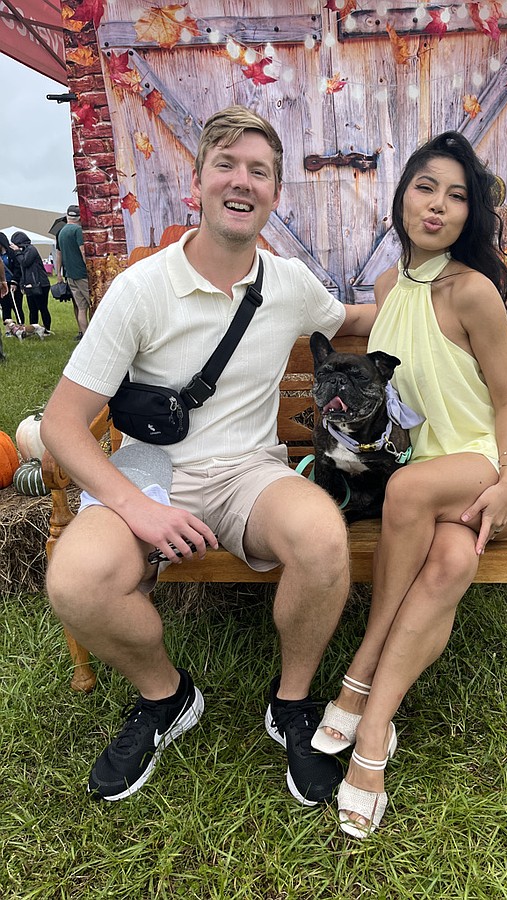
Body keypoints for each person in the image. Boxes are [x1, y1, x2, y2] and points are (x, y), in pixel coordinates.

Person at [41, 105, 374, 806]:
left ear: (275, 193)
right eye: (226, 165)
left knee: (322, 536)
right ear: (196, 183)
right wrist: (137, 509)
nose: (241, 181)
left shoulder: (289, 284)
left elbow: (350, 320)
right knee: (75, 581)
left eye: (259, 171)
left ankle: (291, 703)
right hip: (152, 471)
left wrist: (431, 292)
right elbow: (64, 425)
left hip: (249, 470)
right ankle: (166, 697)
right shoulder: (140, 290)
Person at [311, 131, 507, 838]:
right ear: (402, 198)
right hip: (435, 474)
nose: (437, 205)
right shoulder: (388, 287)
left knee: (405, 491)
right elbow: (383, 324)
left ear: (468, 216)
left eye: (456, 197)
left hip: (503, 464)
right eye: (425, 187)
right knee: (451, 559)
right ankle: (377, 730)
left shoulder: (473, 290)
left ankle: (359, 676)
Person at [55, 205, 90, 340]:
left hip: (69, 275)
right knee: (93, 305)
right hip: (82, 273)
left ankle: (85, 336)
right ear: (80, 217)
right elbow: (82, 251)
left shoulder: (61, 232)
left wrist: (59, 274)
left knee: (81, 308)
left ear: (67, 216)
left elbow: (58, 254)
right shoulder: (78, 230)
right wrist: (89, 269)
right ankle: (96, 335)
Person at [11, 231, 51, 333]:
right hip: (29, 284)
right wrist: (22, 285)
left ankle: (47, 329)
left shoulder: (31, 249)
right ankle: (33, 330)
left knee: (42, 307)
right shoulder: (23, 251)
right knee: (32, 309)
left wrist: (17, 252)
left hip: (40, 283)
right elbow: (22, 270)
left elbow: (25, 262)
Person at [0, 231, 24, 324]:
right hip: (3, 283)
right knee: (5, 306)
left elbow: (18, 268)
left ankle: (21, 325)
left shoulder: (12, 253)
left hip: (13, 282)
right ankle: (8, 327)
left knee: (17, 306)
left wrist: (15, 281)